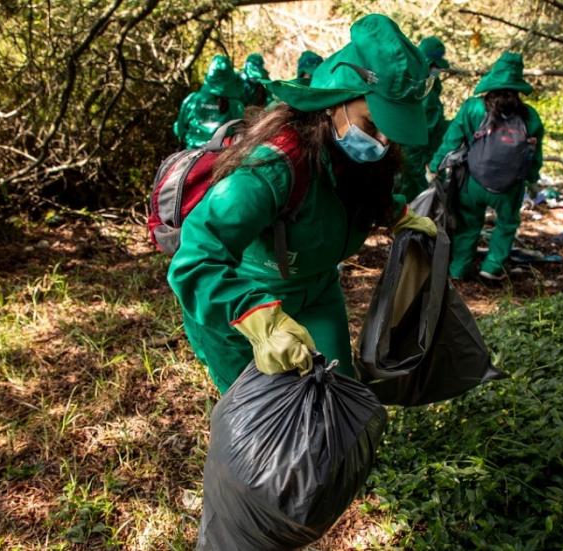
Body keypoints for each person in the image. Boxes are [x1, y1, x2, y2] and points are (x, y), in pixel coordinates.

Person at [167, 14, 438, 393]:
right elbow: (196, 258)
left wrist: (396, 215)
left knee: (337, 398)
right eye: (371, 123)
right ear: (335, 102)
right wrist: (259, 321)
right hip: (243, 303)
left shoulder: (360, 157)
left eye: (391, 133)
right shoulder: (276, 166)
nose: (381, 142)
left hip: (317, 290)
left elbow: (347, 198)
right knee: (257, 418)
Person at [429, 51, 545, 281]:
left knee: (468, 224)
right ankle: (491, 267)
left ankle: (458, 269)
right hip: (509, 187)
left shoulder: (473, 108)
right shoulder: (529, 116)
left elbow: (451, 141)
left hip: (473, 181)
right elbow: (534, 155)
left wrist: (435, 166)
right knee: (506, 224)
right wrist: (531, 178)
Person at [395, 36, 451, 201]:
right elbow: (426, 129)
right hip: (415, 154)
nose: (438, 72)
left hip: (409, 151)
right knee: (415, 196)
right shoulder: (425, 92)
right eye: (435, 67)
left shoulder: (410, 82)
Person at [173, 55, 245, 149]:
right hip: (222, 153)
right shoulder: (236, 106)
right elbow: (240, 134)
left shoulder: (191, 99)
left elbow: (179, 129)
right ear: (230, 77)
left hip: (193, 151)